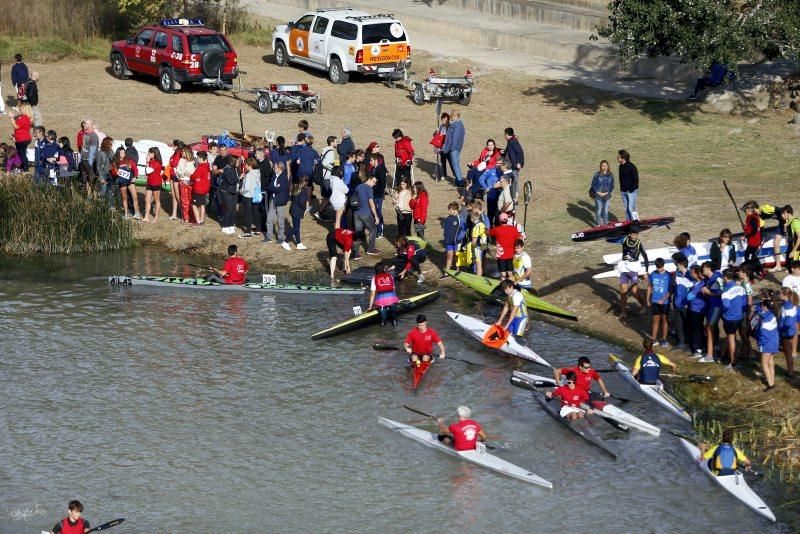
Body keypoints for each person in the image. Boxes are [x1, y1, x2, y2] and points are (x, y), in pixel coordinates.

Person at [618, 225, 648, 323]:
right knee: (623, 290)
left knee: (635, 292)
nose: (633, 236)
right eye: (631, 234)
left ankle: (643, 305)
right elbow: (615, 237)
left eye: (635, 234)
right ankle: (623, 312)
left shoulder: (639, 244)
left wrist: (646, 271)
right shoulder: (624, 240)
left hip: (633, 268)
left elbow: (645, 257)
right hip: (624, 267)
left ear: (637, 235)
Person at [721, 268, 746, 370]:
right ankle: (732, 355)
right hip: (739, 316)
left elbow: (726, 306)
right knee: (734, 338)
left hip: (730, 317)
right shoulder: (740, 287)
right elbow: (743, 301)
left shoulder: (725, 291)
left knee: (731, 339)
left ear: (726, 277)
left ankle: (733, 362)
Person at [753, 289, 779, 390]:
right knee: (771, 363)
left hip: (766, 344)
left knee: (764, 365)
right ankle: (772, 380)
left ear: (764, 307)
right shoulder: (773, 315)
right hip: (774, 343)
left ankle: (771, 386)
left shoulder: (763, 319)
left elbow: (762, 334)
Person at [699, 261, 724, 363]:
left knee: (709, 327)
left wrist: (710, 293)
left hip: (717, 306)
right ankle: (713, 348)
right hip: (712, 306)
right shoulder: (709, 279)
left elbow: (724, 293)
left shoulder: (717, 278)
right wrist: (706, 292)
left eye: (703, 268)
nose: (702, 270)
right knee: (709, 327)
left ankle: (710, 355)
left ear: (708, 268)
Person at [487, 212, 521, 280]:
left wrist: (485, 228)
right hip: (511, 254)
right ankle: (512, 286)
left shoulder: (497, 229)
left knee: (503, 275)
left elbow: (488, 233)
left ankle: (504, 287)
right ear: (507, 220)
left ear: (500, 220)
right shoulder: (513, 229)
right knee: (510, 273)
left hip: (501, 255)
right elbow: (519, 238)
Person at [265, 160, 291, 249]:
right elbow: (270, 187)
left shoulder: (283, 178)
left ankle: (280, 237)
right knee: (269, 218)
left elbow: (277, 190)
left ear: (279, 168)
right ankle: (269, 236)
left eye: (275, 167)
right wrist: (273, 187)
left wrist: (273, 188)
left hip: (281, 201)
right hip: (273, 200)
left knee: (280, 221)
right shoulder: (274, 176)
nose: (273, 169)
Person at [353, 174, 380, 256]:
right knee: (373, 229)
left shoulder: (359, 186)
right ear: (369, 179)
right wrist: (375, 216)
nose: (374, 184)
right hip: (365, 213)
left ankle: (355, 253)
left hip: (356, 213)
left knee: (358, 233)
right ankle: (371, 249)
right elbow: (371, 203)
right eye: (373, 182)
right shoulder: (369, 188)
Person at [111, 146, 140, 220]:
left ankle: (137, 213)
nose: (123, 154)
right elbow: (113, 171)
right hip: (122, 182)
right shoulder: (115, 162)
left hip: (130, 181)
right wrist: (116, 172)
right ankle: (126, 213)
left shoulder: (129, 160)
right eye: (121, 153)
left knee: (135, 197)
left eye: (124, 152)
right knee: (124, 198)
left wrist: (135, 177)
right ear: (118, 154)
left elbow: (135, 169)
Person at [671, 252, 693, 351]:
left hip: (686, 305)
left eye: (677, 264)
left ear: (681, 264)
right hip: (677, 303)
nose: (676, 266)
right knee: (678, 324)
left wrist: (689, 304)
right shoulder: (677, 274)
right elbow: (674, 287)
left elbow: (693, 291)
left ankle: (690, 344)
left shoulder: (690, 276)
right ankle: (681, 343)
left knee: (688, 325)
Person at [648, 258, 672, 346]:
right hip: (654, 301)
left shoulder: (669, 275)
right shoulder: (652, 274)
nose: (659, 269)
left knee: (664, 320)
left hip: (665, 302)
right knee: (655, 320)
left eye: (660, 267)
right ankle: (654, 339)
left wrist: (663, 299)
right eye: (657, 267)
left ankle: (664, 339)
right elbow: (649, 286)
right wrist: (648, 299)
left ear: (663, 265)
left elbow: (670, 289)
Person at [686, 264, 708, 356]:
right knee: (697, 328)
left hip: (697, 310)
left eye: (692, 273)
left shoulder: (700, 284)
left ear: (697, 274)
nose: (691, 274)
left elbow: (689, 296)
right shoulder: (697, 282)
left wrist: (689, 293)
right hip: (694, 308)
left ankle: (699, 348)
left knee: (697, 329)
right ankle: (700, 346)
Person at [368, 262, 399, 326]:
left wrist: (370, 307)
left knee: (383, 320)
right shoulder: (390, 276)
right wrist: (397, 300)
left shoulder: (374, 279)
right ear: (384, 269)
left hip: (381, 300)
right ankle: (394, 322)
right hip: (392, 298)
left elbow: (373, 294)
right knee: (394, 319)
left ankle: (383, 325)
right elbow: (393, 289)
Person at [237, 157, 261, 238]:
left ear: (250, 165)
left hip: (248, 196)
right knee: (255, 213)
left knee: (248, 214)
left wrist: (241, 191)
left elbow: (246, 188)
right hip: (255, 195)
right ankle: (258, 230)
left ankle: (248, 232)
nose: (245, 166)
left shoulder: (249, 175)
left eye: (246, 165)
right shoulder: (257, 173)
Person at [777, 287, 798, 376]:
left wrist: (781, 329)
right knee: (787, 351)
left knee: (788, 352)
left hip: (786, 332)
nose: (779, 295)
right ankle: (790, 370)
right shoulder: (788, 304)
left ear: (784, 295)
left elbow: (788, 322)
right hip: (788, 331)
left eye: (780, 294)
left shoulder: (788, 307)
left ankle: (790, 372)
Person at [442, 109, 465, 186]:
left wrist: (452, 147)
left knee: (455, 164)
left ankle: (460, 181)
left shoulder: (458, 124)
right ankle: (458, 180)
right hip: (455, 147)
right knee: (456, 164)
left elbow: (455, 137)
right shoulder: (457, 124)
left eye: (451, 116)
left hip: (454, 148)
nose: (451, 118)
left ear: (455, 116)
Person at [741, 201, 764, 275]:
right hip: (752, 241)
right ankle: (760, 271)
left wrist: (745, 236)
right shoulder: (750, 218)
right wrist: (745, 228)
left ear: (750, 210)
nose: (745, 212)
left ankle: (751, 273)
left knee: (748, 257)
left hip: (754, 242)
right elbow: (750, 229)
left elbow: (754, 230)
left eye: (746, 211)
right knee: (753, 257)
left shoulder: (753, 218)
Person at [142, 147, 164, 222]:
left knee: (157, 199)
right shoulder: (151, 161)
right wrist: (147, 163)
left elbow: (148, 171)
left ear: (153, 153)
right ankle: (146, 216)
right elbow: (146, 171)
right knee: (147, 200)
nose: (148, 154)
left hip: (156, 183)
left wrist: (147, 162)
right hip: (149, 182)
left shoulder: (157, 163)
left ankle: (156, 217)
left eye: (149, 153)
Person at [189, 150, 210, 226]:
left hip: (199, 189)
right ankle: (201, 220)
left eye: (197, 157)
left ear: (201, 158)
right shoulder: (207, 166)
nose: (197, 159)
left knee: (193, 204)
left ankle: (198, 221)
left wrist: (190, 175)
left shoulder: (201, 167)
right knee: (202, 204)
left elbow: (194, 176)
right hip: (204, 189)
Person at [589, 160, 614, 226]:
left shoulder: (610, 175)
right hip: (598, 195)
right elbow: (593, 184)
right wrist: (598, 192)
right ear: (600, 167)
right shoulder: (597, 175)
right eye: (603, 166)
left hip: (607, 195)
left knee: (605, 211)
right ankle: (598, 225)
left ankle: (605, 225)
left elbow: (612, 186)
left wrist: (607, 192)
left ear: (608, 166)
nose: (604, 167)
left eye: (605, 165)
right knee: (599, 210)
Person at [503, 127, 524, 201]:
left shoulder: (513, 142)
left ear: (507, 134)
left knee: (514, 181)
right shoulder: (510, 141)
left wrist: (519, 163)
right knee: (512, 181)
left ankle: (515, 198)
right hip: (510, 165)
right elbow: (509, 150)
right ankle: (513, 196)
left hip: (514, 166)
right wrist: (504, 152)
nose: (504, 136)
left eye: (504, 134)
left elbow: (520, 152)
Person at [617, 149, 639, 221]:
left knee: (631, 209)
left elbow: (636, 180)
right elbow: (620, 178)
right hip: (623, 191)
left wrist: (631, 190)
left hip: (631, 191)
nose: (617, 158)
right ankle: (629, 226)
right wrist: (621, 187)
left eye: (619, 157)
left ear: (623, 158)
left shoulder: (631, 167)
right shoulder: (620, 166)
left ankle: (636, 226)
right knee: (626, 209)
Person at [289, 175, 309, 250]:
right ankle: (286, 241)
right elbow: (302, 202)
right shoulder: (304, 190)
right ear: (306, 182)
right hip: (297, 211)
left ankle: (299, 243)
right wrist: (305, 209)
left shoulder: (295, 187)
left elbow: (292, 198)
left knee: (296, 227)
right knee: (296, 228)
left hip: (293, 210)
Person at [176, 146, 196, 223]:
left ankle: (193, 217)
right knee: (184, 201)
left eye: (183, 152)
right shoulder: (181, 160)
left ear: (187, 152)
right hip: (183, 182)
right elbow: (178, 171)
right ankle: (186, 217)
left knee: (192, 200)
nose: (182, 153)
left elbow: (195, 172)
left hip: (191, 183)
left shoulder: (193, 161)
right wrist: (184, 173)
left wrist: (190, 174)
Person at [10, 103, 32, 171]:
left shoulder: (25, 118)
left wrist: (11, 117)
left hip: (23, 139)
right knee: (21, 153)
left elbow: (16, 126)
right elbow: (16, 125)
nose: (20, 108)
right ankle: (23, 167)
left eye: (22, 108)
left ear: (25, 109)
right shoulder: (22, 117)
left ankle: (26, 168)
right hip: (21, 138)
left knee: (22, 154)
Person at [95, 137, 114, 207]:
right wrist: (101, 177)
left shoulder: (111, 151)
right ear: (107, 144)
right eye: (111, 143)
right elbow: (98, 166)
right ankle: (101, 207)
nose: (112, 145)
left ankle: (110, 206)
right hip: (103, 174)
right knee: (103, 191)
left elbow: (114, 162)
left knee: (110, 191)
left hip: (110, 174)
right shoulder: (100, 153)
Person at [442, 201, 460, 274]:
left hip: (456, 241)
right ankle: (447, 272)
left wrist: (459, 238)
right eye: (448, 210)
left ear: (455, 210)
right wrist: (445, 237)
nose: (448, 211)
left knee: (456, 256)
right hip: (448, 241)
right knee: (449, 256)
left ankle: (457, 270)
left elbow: (463, 230)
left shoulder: (459, 218)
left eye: (450, 210)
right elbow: (445, 228)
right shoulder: (447, 218)